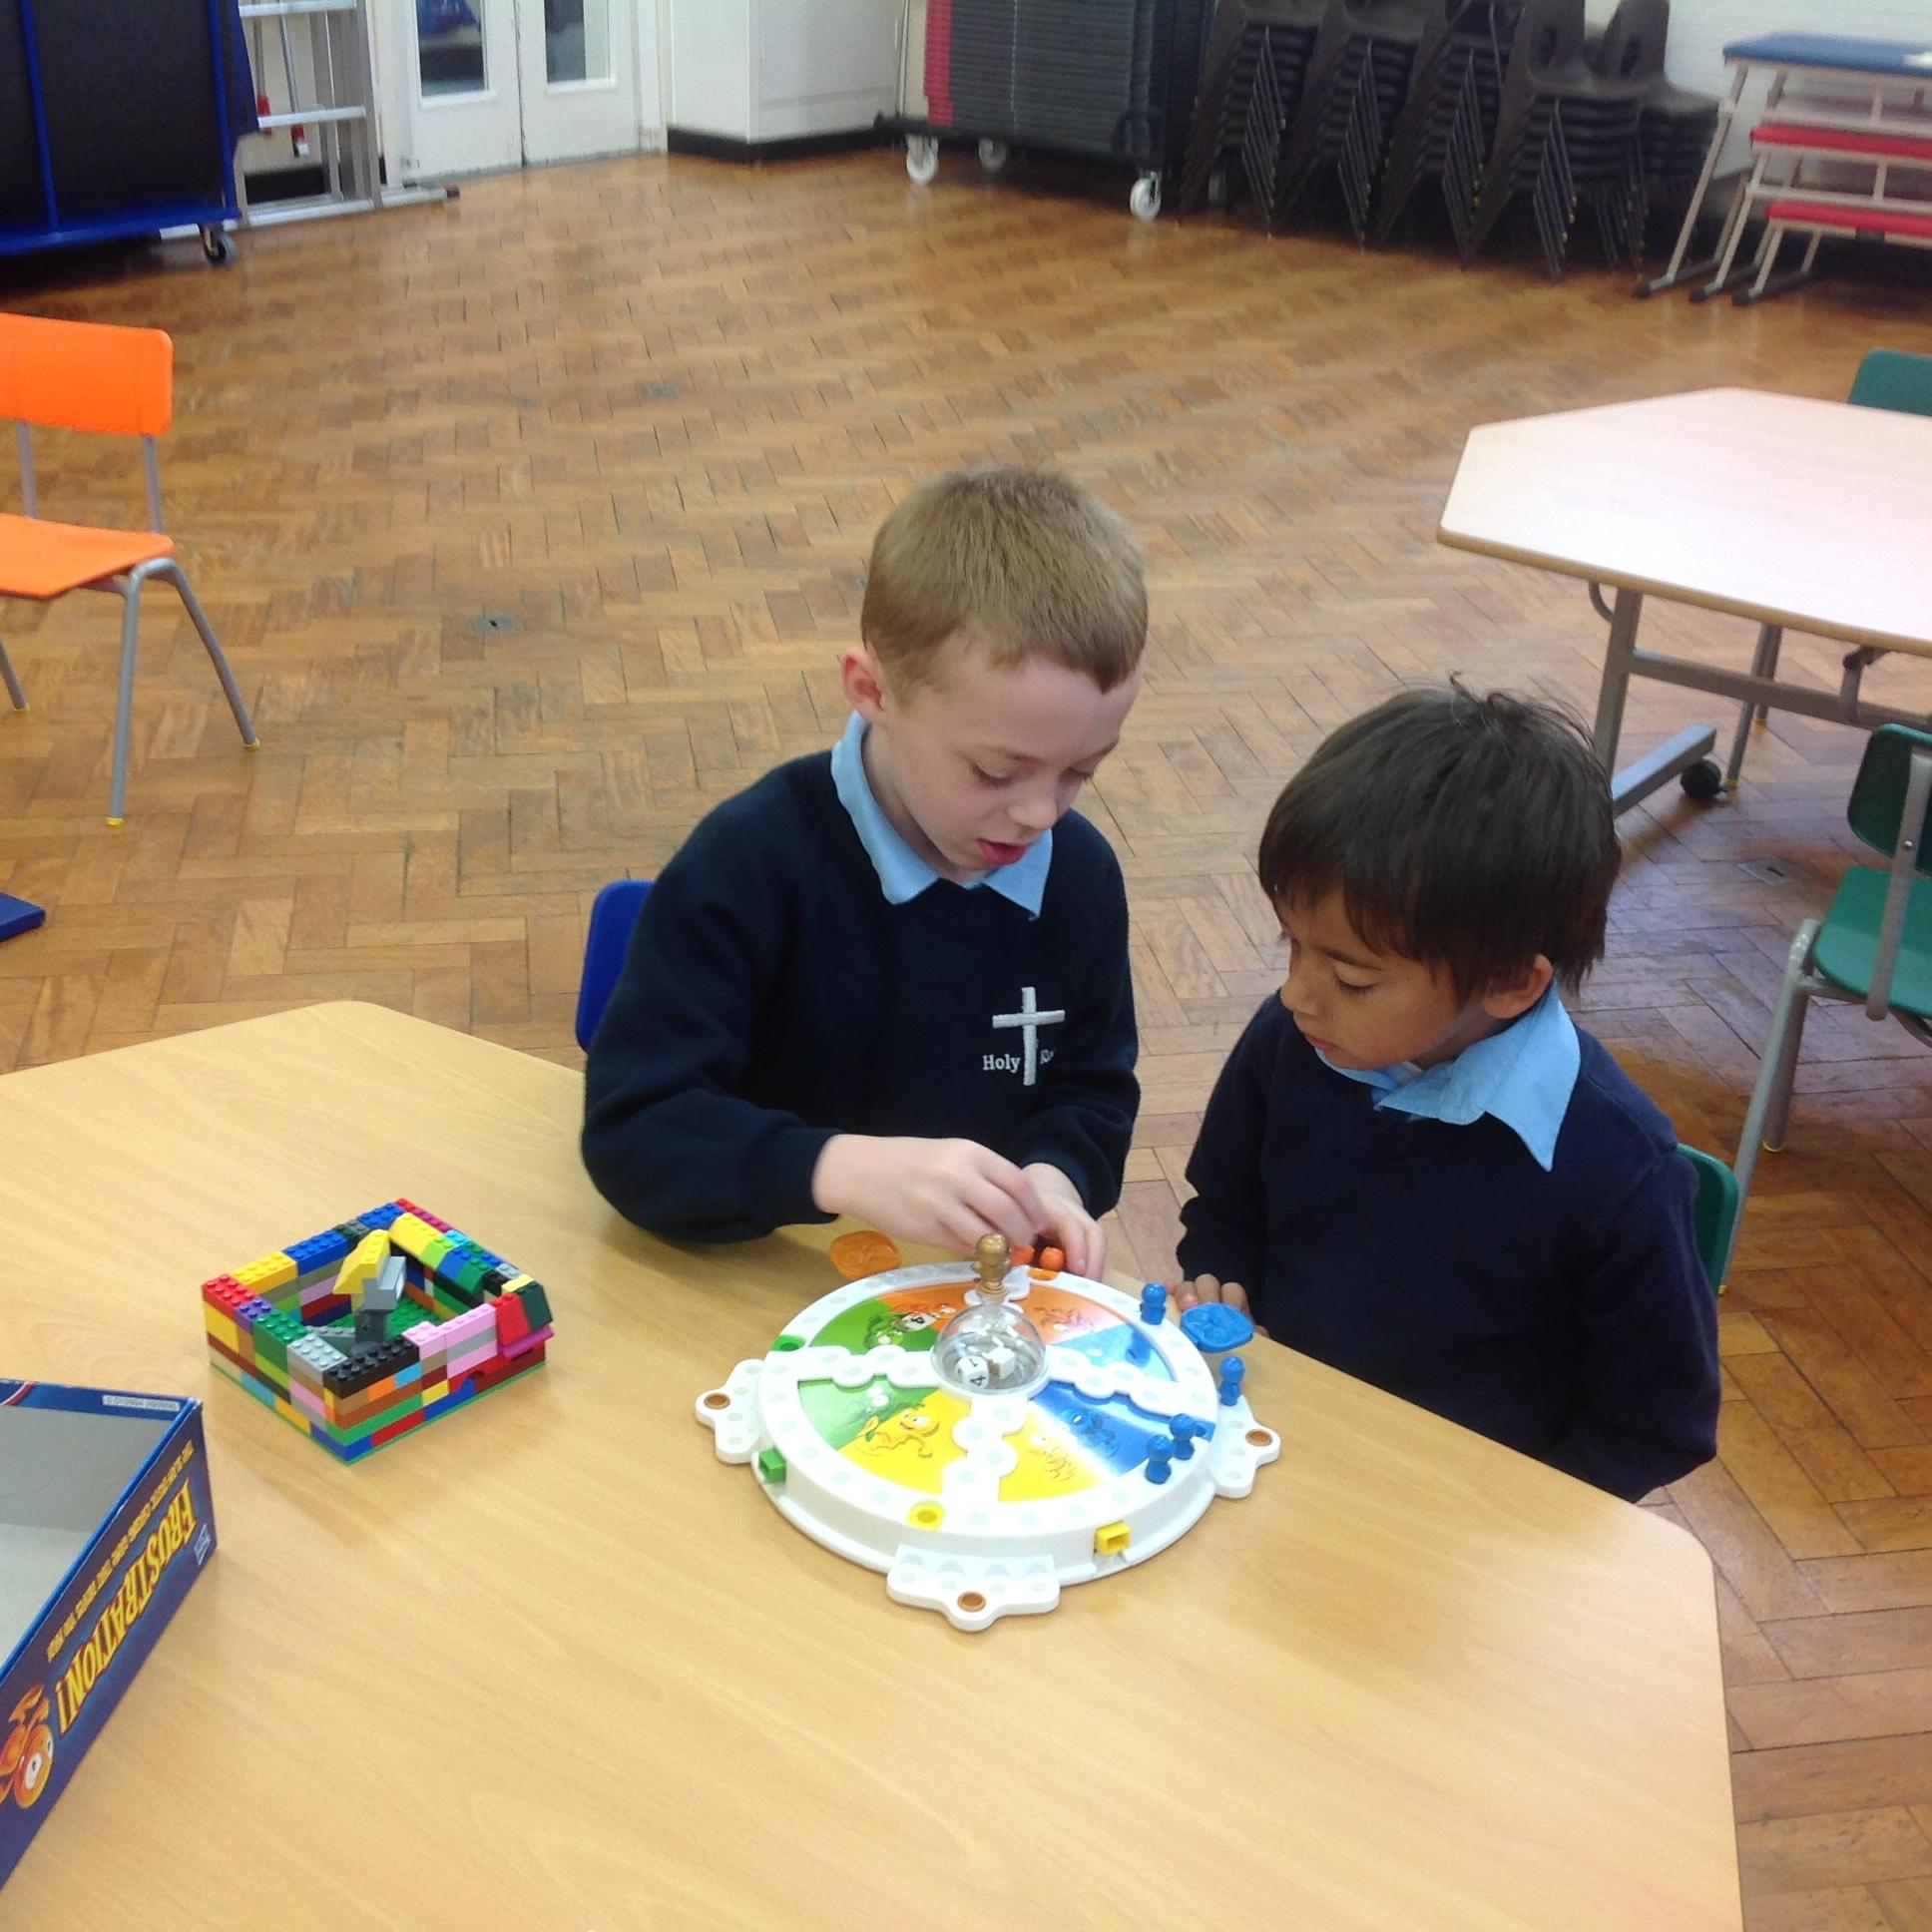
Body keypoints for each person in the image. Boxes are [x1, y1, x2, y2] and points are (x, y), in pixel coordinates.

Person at [583, 466, 1147, 1274]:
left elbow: (1091, 1093)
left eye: (1081, 771)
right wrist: (837, 1168)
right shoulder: (748, 861)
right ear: (871, 689)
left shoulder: (1079, 879)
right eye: (996, 772)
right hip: (769, 1279)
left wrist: (1053, 1179)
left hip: (963, 1297)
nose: (1040, 814)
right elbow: (634, 1131)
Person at [1173, 684, 1719, 1501]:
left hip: (1473, 1519)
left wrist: (1503, 1519)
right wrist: (1222, 1279)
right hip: (1279, 1447)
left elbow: (1656, 1426)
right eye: (1292, 944)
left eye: (1353, 979)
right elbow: (1225, 1211)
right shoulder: (1294, 1042)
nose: (1296, 994)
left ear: (1510, 983)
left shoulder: (1619, 1171)